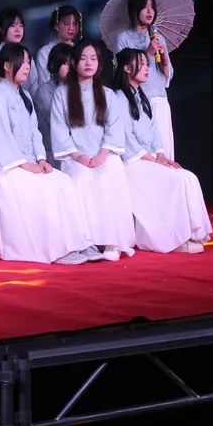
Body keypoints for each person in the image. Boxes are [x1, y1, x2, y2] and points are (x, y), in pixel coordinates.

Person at [0, 43, 92, 264]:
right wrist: (25, 164)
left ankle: (75, 243)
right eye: (22, 61)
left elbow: (35, 131)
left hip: (31, 163)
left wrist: (42, 159)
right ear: (6, 65)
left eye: (29, 62)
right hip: (9, 167)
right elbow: (1, 134)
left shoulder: (25, 95)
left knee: (63, 181)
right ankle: (56, 250)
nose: (27, 66)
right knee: (47, 188)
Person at [113, 48, 211, 253]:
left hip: (149, 159)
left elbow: (155, 130)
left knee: (188, 177)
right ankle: (175, 238)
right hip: (133, 162)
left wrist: (161, 154)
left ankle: (193, 233)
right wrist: (152, 159)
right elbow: (126, 138)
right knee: (177, 181)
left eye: (147, 64)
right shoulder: (119, 98)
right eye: (142, 63)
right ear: (127, 68)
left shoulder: (144, 97)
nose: (147, 68)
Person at [50, 41, 136, 261]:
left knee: (112, 172)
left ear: (99, 64)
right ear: (74, 62)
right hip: (74, 157)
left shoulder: (108, 94)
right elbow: (60, 131)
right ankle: (85, 241)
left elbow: (114, 128)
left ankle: (112, 241)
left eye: (93, 58)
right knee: (80, 178)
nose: (88, 63)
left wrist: (102, 155)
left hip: (103, 155)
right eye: (83, 58)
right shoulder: (62, 94)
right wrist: (77, 155)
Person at [113, 0, 176, 159]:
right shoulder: (123, 38)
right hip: (138, 100)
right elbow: (123, 70)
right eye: (145, 7)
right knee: (147, 153)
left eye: (152, 7)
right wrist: (147, 53)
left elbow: (167, 76)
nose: (150, 11)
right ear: (134, 9)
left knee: (164, 152)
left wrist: (164, 59)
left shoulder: (158, 38)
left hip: (160, 99)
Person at [33, 42, 73, 168]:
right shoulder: (44, 91)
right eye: (66, 63)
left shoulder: (79, 88)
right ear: (54, 64)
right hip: (52, 151)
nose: (70, 67)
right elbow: (57, 123)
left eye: (72, 63)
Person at [0, 8, 37, 95]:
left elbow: (34, 85)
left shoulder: (25, 53)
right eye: (13, 25)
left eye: (21, 25)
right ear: (0, 28)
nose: (18, 30)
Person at [35, 4, 81, 87]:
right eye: (67, 24)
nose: (71, 28)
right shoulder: (45, 52)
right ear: (56, 25)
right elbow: (44, 83)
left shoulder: (81, 50)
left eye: (74, 24)